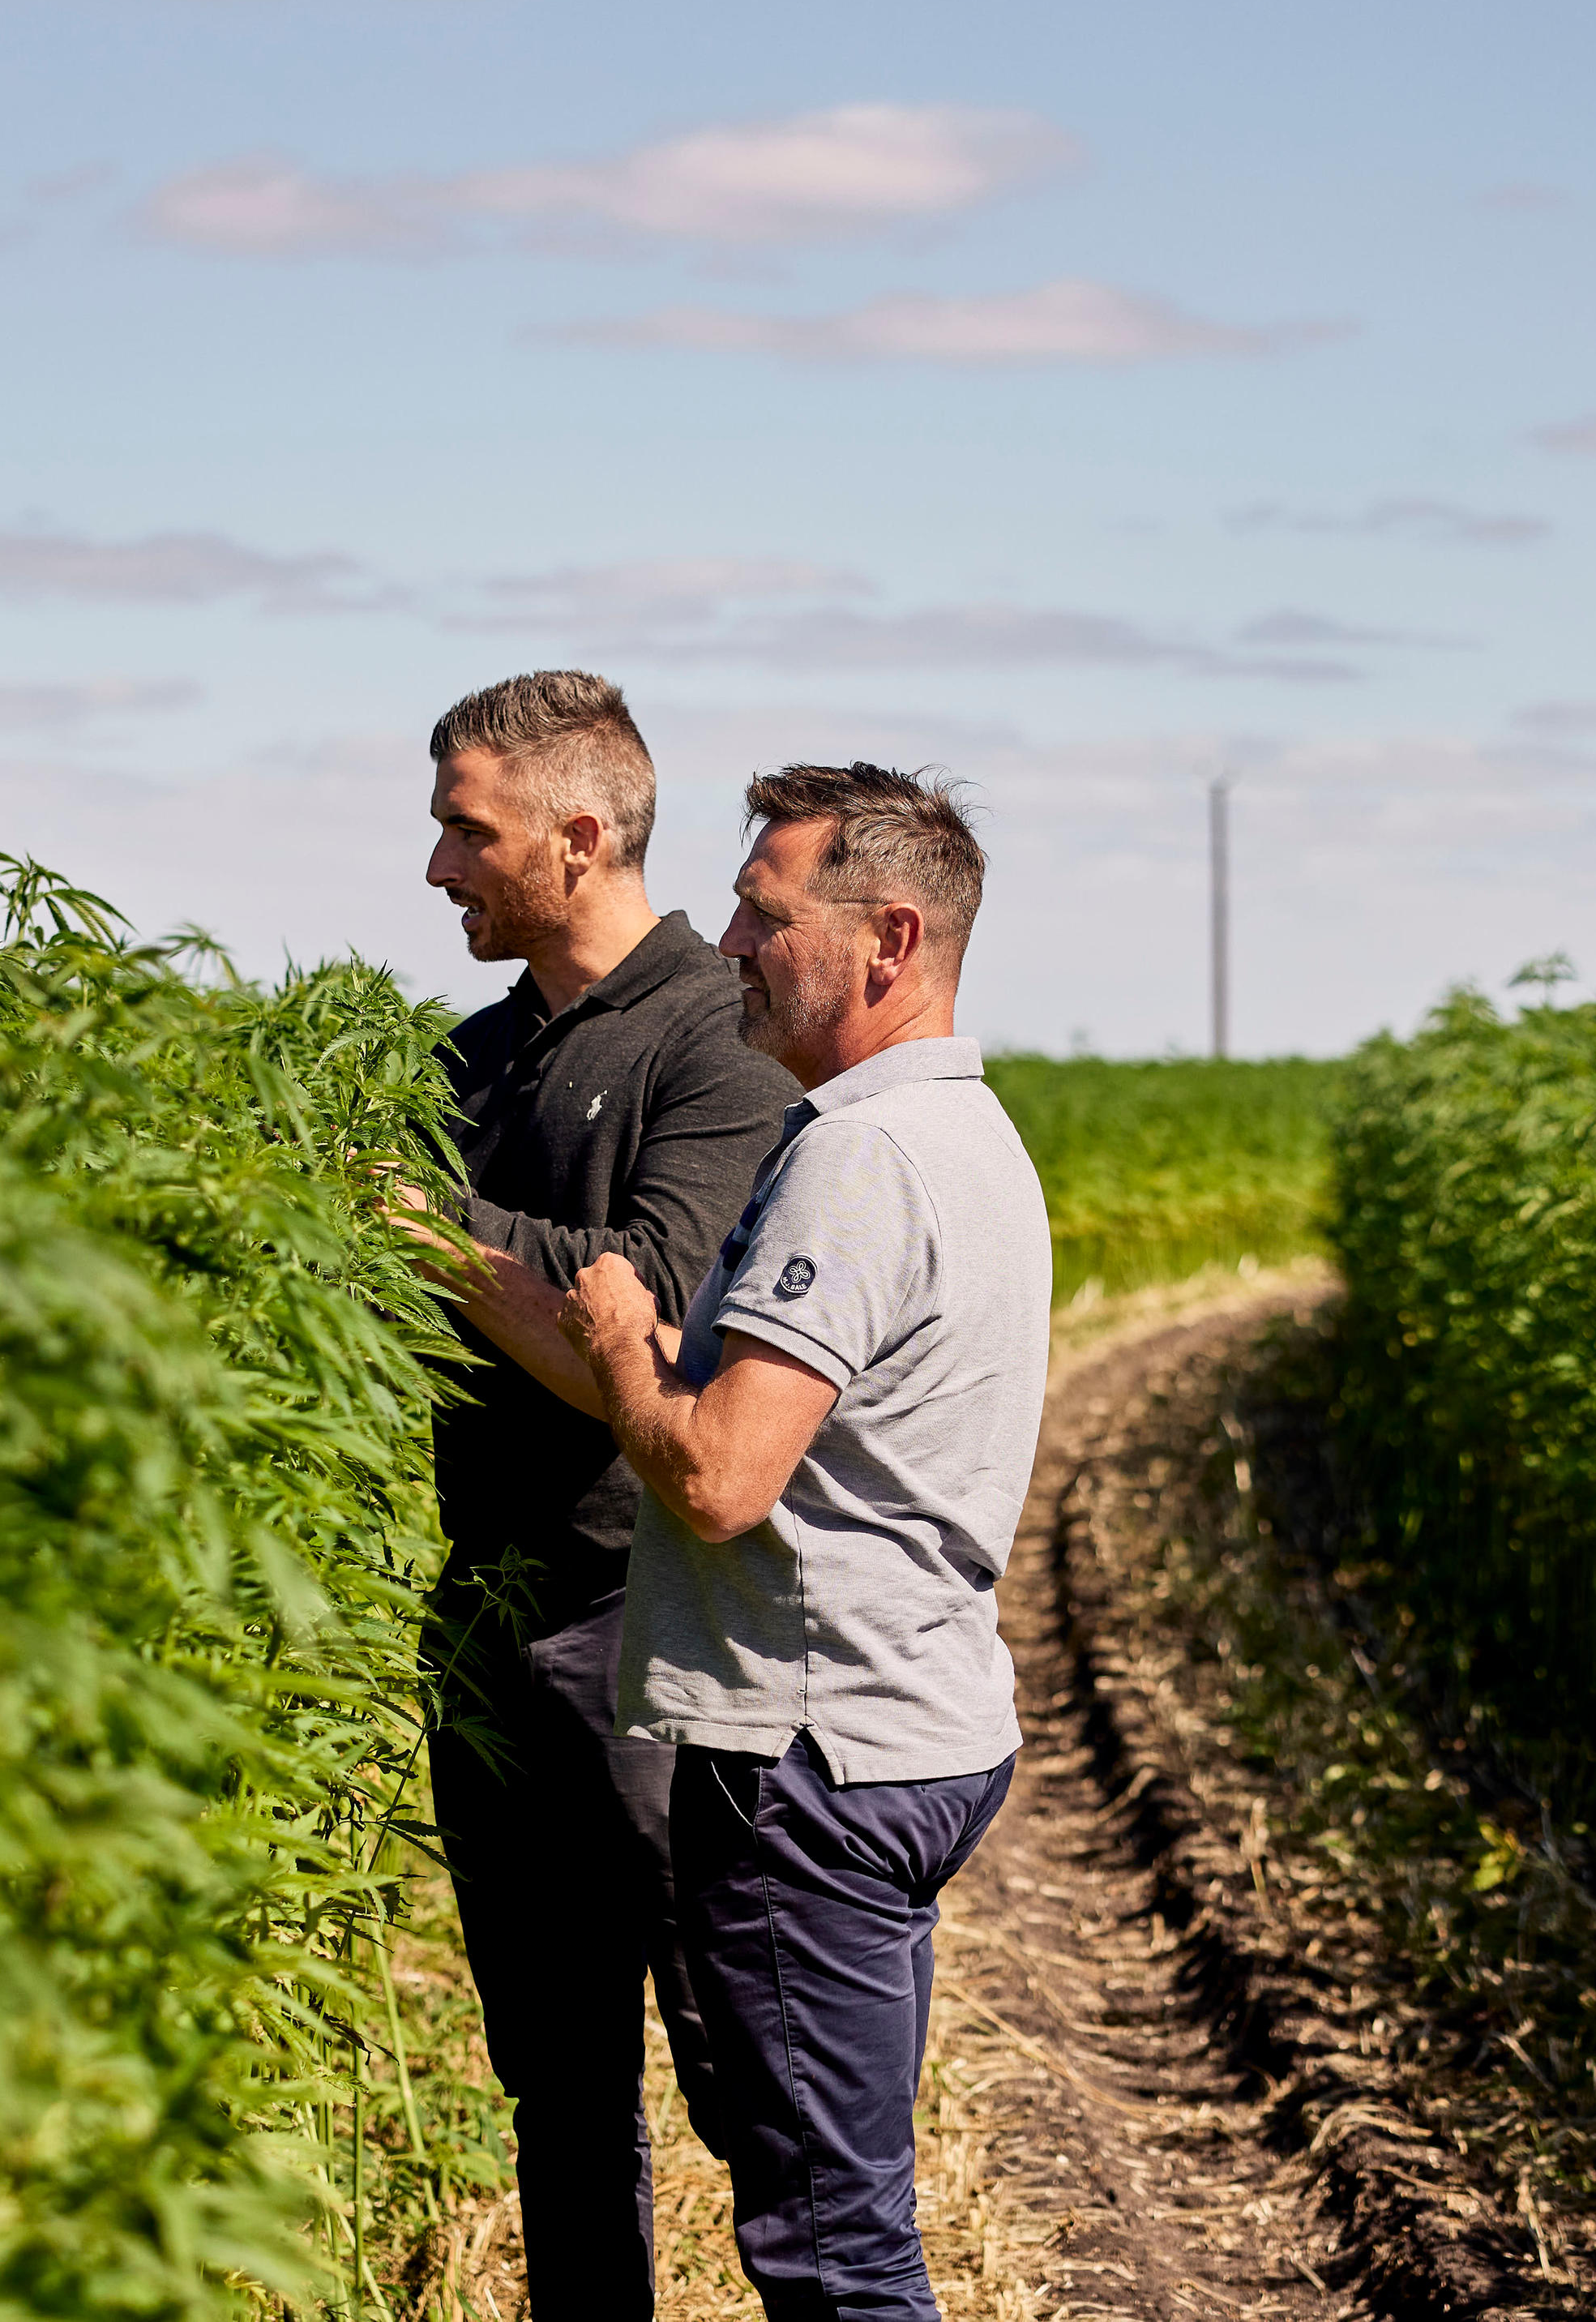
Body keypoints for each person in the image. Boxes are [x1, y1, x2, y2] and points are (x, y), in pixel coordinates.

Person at [487, 760, 1050, 2322]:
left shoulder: (856, 1159)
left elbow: (722, 1475)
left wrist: (618, 1348)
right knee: (842, 2207)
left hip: (811, 1759)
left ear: (887, 936)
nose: (728, 938)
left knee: (830, 2246)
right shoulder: (967, 1134)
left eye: (762, 910)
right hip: (917, 1726)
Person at [409, 669, 803, 2321]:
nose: (438, 868)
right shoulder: (476, 1054)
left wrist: (431, 1237)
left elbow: (641, 1306)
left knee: (753, 2092)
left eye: (465, 829)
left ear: (580, 833)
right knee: (559, 2091)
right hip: (490, 1621)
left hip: (647, 1634)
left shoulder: (715, 1038)